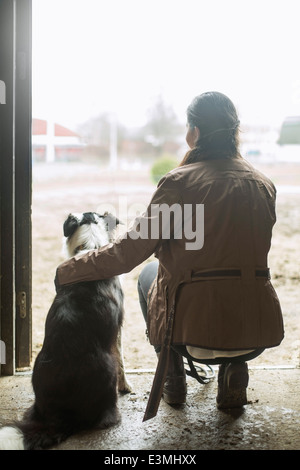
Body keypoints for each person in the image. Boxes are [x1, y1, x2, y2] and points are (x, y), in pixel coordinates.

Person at [55, 91, 284, 420]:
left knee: (150, 273)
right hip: (255, 332)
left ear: (194, 133)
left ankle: (173, 377)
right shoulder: (264, 185)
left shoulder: (178, 183)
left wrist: (69, 270)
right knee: (237, 273)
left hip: (190, 333)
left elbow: (125, 255)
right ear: (235, 132)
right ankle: (236, 370)